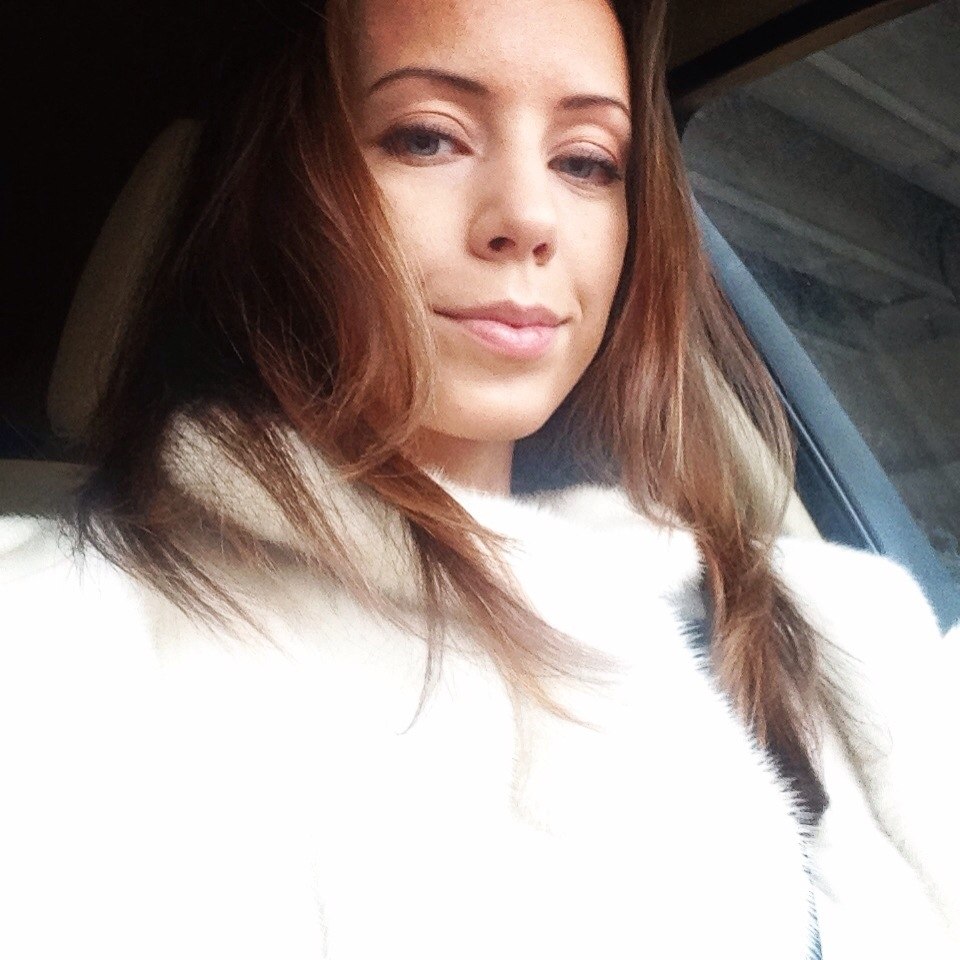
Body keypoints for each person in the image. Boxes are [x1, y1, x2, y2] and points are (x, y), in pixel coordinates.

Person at [1, 0, 957, 957]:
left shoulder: (837, 629)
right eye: (427, 137)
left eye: (587, 162)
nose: (529, 219)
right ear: (271, 198)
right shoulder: (61, 647)